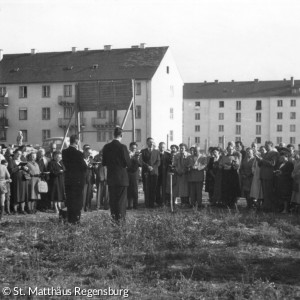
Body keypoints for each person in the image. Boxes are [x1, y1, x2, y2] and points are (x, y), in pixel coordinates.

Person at [102, 127, 131, 222]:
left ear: (113, 135)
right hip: (122, 178)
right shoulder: (123, 147)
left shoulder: (106, 147)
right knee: (121, 201)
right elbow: (128, 163)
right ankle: (121, 220)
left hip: (111, 177)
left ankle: (114, 219)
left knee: (113, 200)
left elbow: (104, 162)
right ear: (121, 135)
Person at [62, 134, 86, 224]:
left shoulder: (64, 152)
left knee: (70, 200)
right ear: (76, 141)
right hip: (78, 180)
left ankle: (69, 218)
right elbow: (83, 167)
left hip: (68, 179)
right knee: (77, 201)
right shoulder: (79, 153)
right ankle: (76, 219)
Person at [256, 141, 279, 212]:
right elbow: (261, 165)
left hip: (269, 175)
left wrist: (262, 160)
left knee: (269, 192)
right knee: (265, 193)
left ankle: (270, 208)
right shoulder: (265, 154)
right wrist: (259, 160)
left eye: (267, 146)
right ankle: (266, 206)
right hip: (263, 175)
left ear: (271, 146)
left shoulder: (275, 153)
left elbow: (272, 163)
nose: (265, 147)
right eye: (265, 145)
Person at [140, 137, 160, 208]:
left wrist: (153, 167)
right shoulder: (143, 151)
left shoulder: (157, 151)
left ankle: (152, 204)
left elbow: (158, 161)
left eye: (152, 142)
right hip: (146, 172)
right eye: (150, 142)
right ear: (147, 143)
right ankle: (147, 203)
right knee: (146, 188)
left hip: (154, 172)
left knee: (153, 188)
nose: (151, 143)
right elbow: (141, 161)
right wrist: (147, 166)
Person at [8, 149, 29, 214]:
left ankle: (22, 209)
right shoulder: (11, 161)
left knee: (23, 194)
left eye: (20, 154)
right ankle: (15, 210)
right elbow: (11, 171)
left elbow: (28, 171)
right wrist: (18, 167)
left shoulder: (22, 161)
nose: (18, 155)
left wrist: (27, 169)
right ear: (14, 154)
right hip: (15, 180)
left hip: (23, 180)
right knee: (16, 194)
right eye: (17, 154)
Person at [219, 143, 240, 208]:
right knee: (226, 189)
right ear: (227, 150)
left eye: (231, 149)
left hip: (233, 175)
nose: (230, 151)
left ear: (233, 149)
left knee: (233, 189)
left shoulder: (236, 157)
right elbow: (220, 166)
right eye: (228, 149)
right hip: (226, 175)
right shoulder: (223, 157)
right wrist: (224, 166)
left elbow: (237, 166)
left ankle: (233, 203)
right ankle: (226, 203)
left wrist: (233, 165)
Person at [274, 148, 294, 213]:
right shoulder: (281, 164)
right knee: (281, 195)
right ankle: (282, 208)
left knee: (286, 196)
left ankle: (286, 209)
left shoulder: (289, 164)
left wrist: (281, 173)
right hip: (280, 182)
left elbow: (289, 172)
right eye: (281, 157)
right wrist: (277, 173)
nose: (281, 158)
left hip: (287, 183)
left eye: (283, 157)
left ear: (286, 157)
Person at [156, 142, 171, 207]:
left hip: (165, 173)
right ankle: (158, 201)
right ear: (158, 147)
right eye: (161, 147)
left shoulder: (168, 154)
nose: (162, 148)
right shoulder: (155, 154)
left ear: (165, 148)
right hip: (157, 173)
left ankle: (164, 201)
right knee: (157, 188)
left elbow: (170, 163)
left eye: (163, 147)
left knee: (165, 188)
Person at [127, 142, 140, 209]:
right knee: (128, 190)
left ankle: (135, 205)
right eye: (132, 148)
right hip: (128, 174)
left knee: (135, 190)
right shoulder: (127, 154)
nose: (133, 149)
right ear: (129, 148)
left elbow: (140, 164)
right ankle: (129, 205)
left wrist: (135, 158)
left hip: (135, 174)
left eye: (135, 148)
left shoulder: (138, 155)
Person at [82, 146, 95, 212]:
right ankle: (82, 207)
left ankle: (88, 207)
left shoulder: (91, 160)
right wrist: (87, 167)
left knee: (89, 194)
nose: (89, 154)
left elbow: (93, 170)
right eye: (88, 153)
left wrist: (94, 167)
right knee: (83, 194)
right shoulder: (81, 159)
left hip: (90, 179)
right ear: (84, 152)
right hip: (83, 179)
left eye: (90, 153)